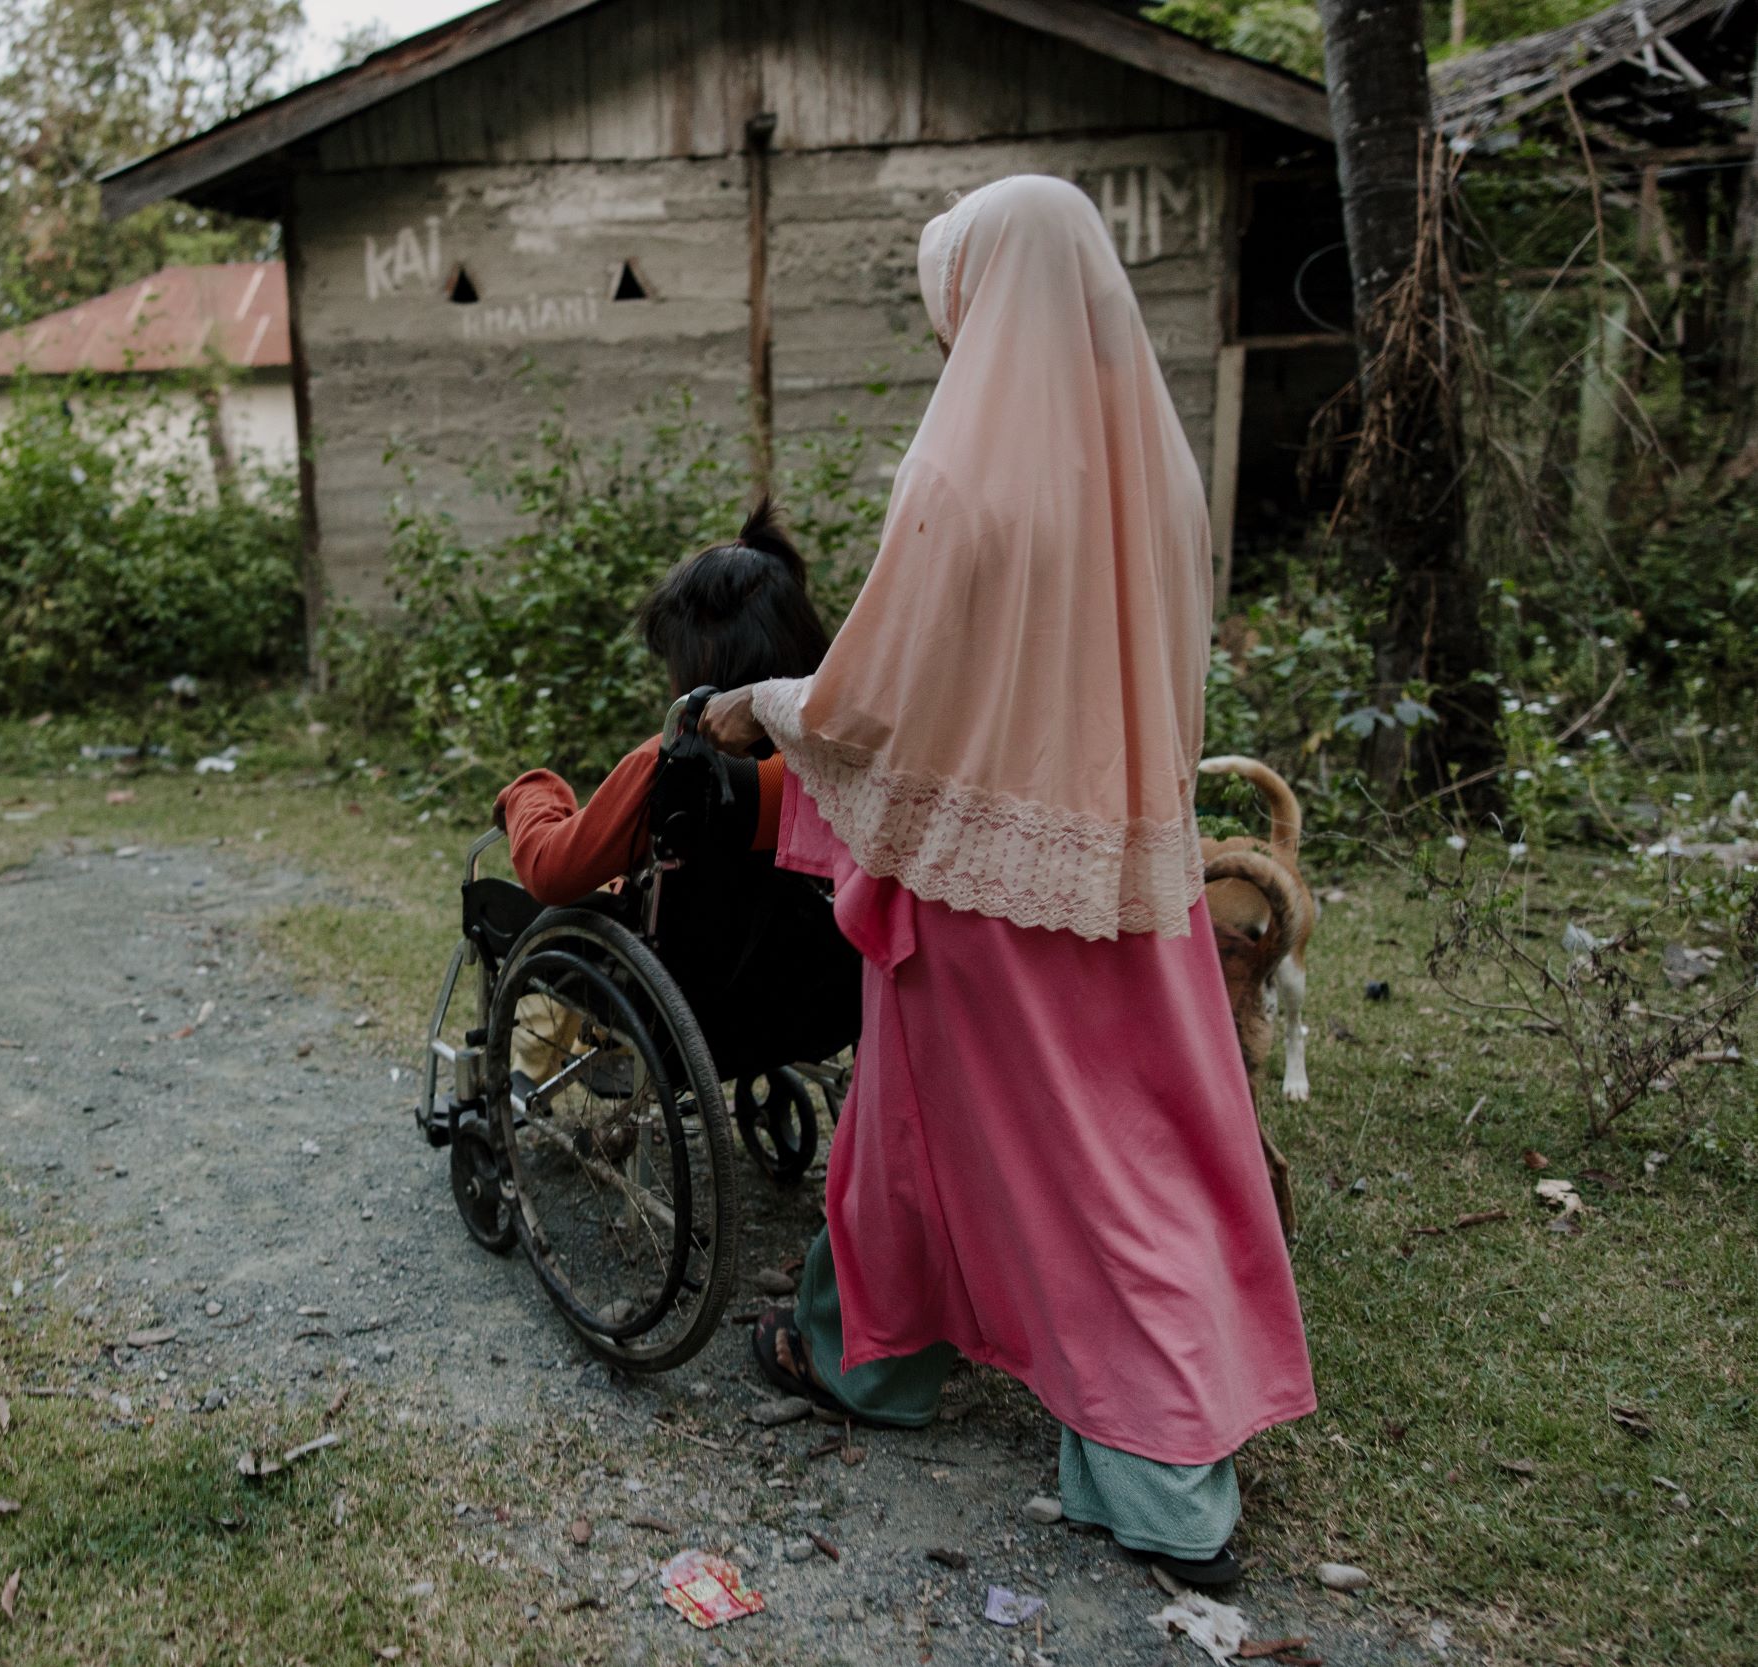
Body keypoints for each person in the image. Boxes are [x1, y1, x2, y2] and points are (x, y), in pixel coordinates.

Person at [701, 176, 1314, 1588]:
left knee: (1059, 1165)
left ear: (981, 292)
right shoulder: (1154, 460)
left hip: (989, 881)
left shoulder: (966, 470)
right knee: (1030, 1133)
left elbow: (879, 701)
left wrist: (770, 706)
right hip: (1122, 860)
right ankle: (867, 1351)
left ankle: (1163, 1483)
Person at [494, 500, 855, 1085]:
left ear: (695, 658)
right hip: (808, 1002)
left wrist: (532, 791)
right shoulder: (842, 765)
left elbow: (552, 871)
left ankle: (528, 1071)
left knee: (563, 913)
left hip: (686, 1009)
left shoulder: (674, 769)